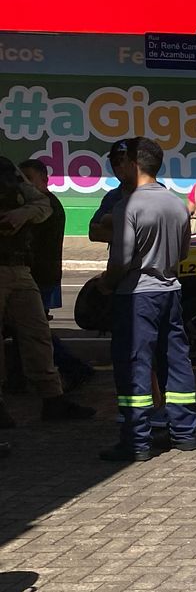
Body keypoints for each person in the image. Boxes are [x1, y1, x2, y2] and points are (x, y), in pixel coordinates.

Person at [99, 138, 196, 462]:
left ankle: (136, 441)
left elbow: (122, 260)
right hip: (171, 291)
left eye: (122, 162)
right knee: (176, 361)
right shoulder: (177, 204)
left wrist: (106, 285)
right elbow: (183, 253)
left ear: (134, 165)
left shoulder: (128, 206)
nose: (119, 168)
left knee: (134, 365)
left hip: (136, 295)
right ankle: (184, 433)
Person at [0, 156, 95, 429]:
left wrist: (20, 215)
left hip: (18, 265)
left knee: (37, 332)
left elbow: (43, 205)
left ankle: (53, 397)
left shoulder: (7, 168)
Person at [17, 159, 93, 392]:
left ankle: (72, 368)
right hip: (40, 275)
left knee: (34, 331)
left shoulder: (45, 207)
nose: (25, 185)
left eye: (30, 179)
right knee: (31, 330)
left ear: (44, 180)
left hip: (39, 276)